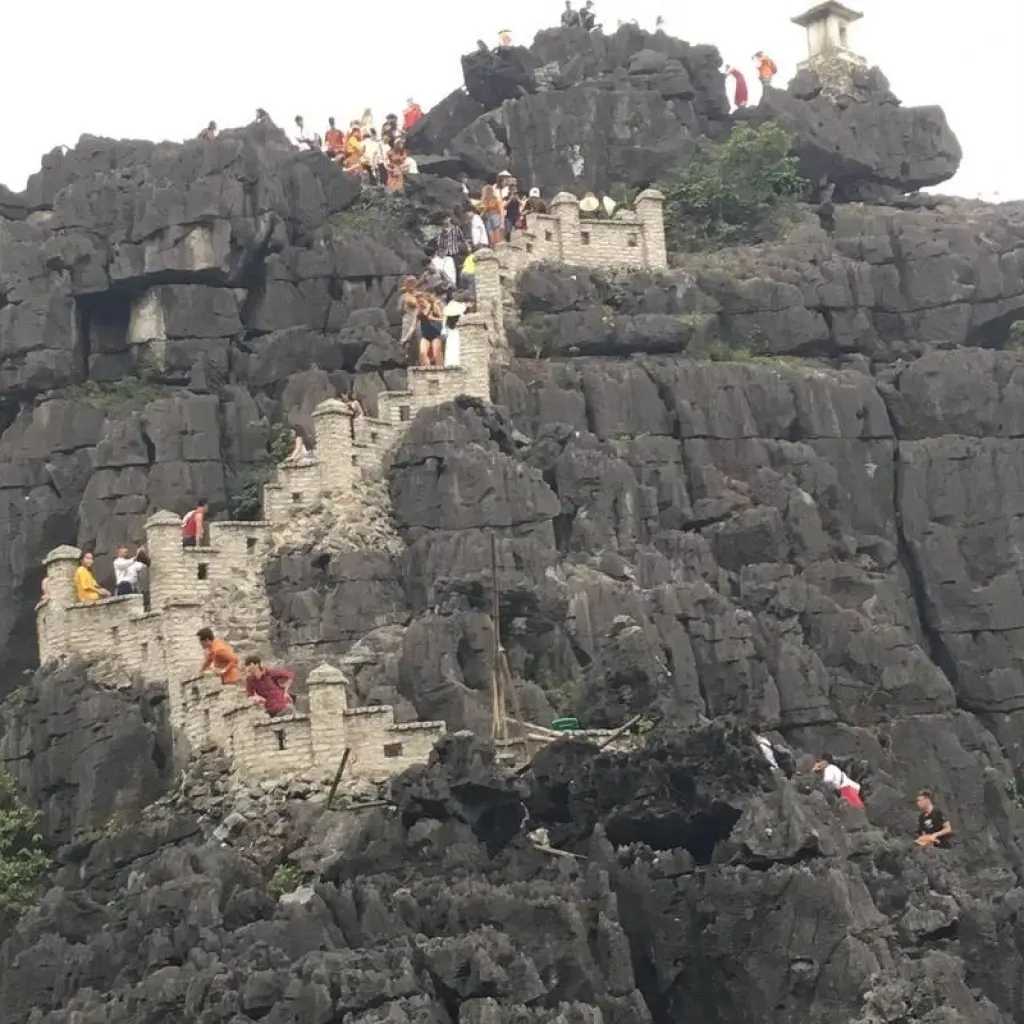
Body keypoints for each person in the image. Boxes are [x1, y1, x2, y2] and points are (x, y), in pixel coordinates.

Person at [443, 301, 466, 367]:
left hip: (456, 335)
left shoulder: (461, 317)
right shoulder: (447, 319)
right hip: (452, 335)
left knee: (454, 350)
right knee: (452, 350)